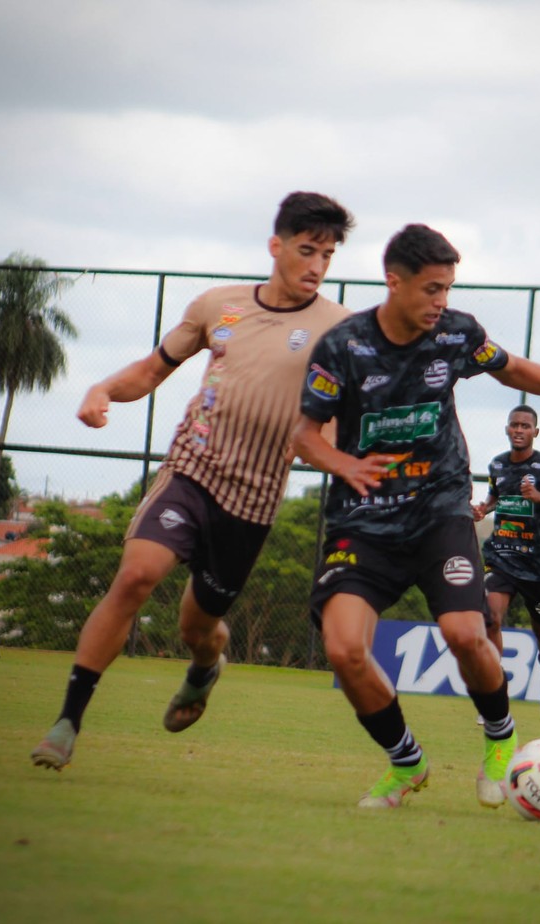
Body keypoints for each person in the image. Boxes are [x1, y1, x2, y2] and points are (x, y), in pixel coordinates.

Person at [291, 223, 540, 810]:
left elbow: (512, 368)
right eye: (432, 288)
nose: (442, 301)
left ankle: (499, 739)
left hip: (440, 512)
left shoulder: (456, 334)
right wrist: (345, 464)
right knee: (343, 649)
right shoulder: (343, 347)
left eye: (449, 288)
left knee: (466, 632)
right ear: (395, 281)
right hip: (363, 522)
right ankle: (406, 763)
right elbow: (304, 435)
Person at [31, 191, 355, 770]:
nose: (316, 266)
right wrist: (103, 389)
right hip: (192, 470)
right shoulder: (218, 306)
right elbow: (154, 368)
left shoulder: (339, 329)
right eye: (307, 251)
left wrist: (332, 451)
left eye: (327, 256)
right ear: (275, 246)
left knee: (199, 626)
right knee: (135, 576)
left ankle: (207, 666)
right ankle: (66, 722)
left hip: (253, 500)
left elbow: (338, 414)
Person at [472, 405, 540, 720]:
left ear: (535, 431)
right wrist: (483, 509)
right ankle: (494, 694)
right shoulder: (497, 465)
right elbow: (496, 497)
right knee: (490, 617)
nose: (519, 430)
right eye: (514, 425)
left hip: (538, 564)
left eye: (525, 425)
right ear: (507, 429)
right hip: (502, 555)